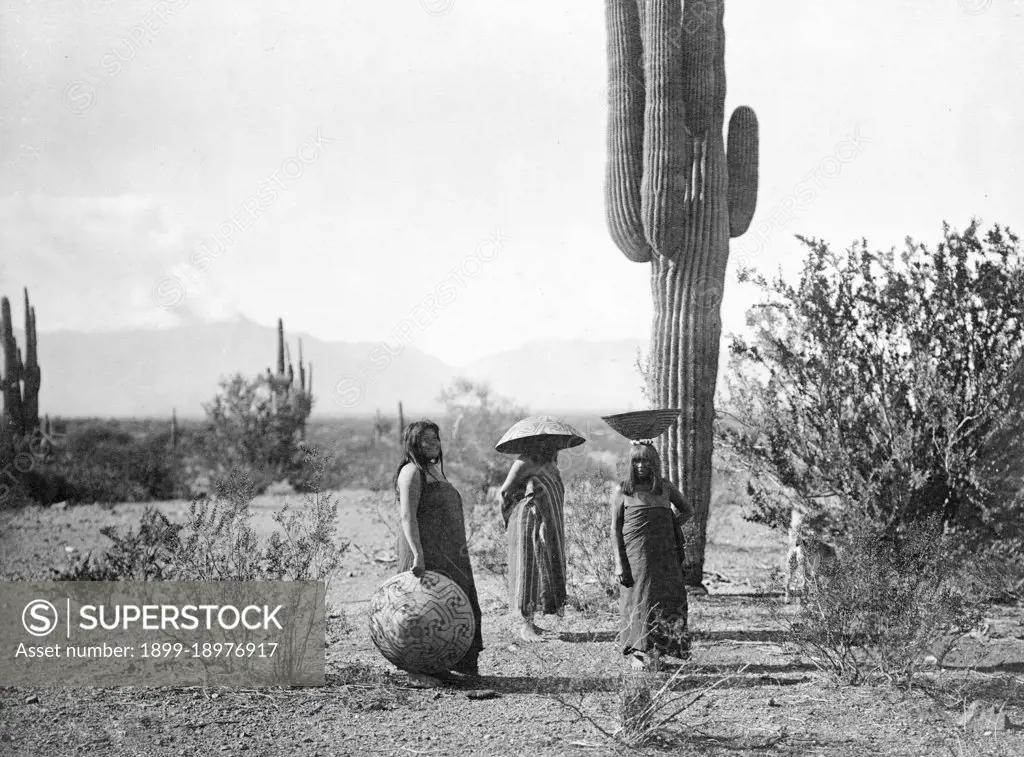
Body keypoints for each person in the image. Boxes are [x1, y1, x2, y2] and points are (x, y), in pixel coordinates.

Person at [394, 420, 484, 685]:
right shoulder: (412, 472)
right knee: (422, 611)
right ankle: (417, 671)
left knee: (452, 608)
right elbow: (408, 518)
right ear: (413, 443)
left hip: (449, 553)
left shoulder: (434, 471)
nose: (433, 444)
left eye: (436, 438)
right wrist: (418, 554)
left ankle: (445, 664)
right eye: (426, 440)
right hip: (425, 551)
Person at [611, 439, 693, 669]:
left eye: (646, 461)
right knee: (637, 600)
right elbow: (615, 528)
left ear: (654, 463)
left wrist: (669, 527)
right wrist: (619, 563)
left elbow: (687, 509)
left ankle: (659, 654)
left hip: (664, 556)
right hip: (636, 557)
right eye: (636, 461)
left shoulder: (665, 488)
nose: (641, 466)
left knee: (665, 599)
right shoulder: (623, 490)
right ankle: (637, 656)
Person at [498, 437, 570, 642]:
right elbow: (505, 492)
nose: (554, 446)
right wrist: (510, 515)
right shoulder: (524, 462)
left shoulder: (550, 463)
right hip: (528, 520)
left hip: (548, 521)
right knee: (527, 568)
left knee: (542, 567)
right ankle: (525, 624)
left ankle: (533, 620)